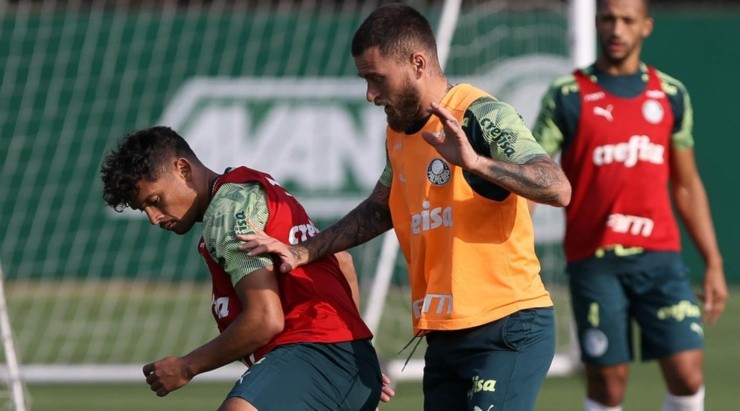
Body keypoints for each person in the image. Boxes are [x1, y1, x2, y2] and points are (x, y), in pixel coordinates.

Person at [238, 4, 572, 410]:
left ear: (418, 63)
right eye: (365, 81)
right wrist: (302, 251)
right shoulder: (397, 134)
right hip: (444, 337)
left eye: (377, 79)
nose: (370, 95)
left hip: (506, 326)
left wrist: (477, 163)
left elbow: (558, 188)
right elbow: (380, 209)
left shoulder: (479, 113)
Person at [100, 126, 393, 411]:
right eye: (144, 209)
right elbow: (343, 261)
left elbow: (265, 319)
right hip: (354, 366)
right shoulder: (254, 186)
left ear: (183, 169)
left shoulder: (227, 212)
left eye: (155, 201)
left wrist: (186, 366)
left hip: (309, 356)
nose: (153, 218)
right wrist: (351, 357)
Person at [531, 0, 728, 410]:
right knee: (608, 385)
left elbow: (687, 185)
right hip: (595, 262)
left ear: (646, 27)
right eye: (608, 19)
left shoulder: (670, 94)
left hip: (660, 260)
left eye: (627, 20)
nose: (616, 29)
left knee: (688, 374)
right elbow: (533, 174)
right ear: (596, 22)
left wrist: (713, 261)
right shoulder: (567, 95)